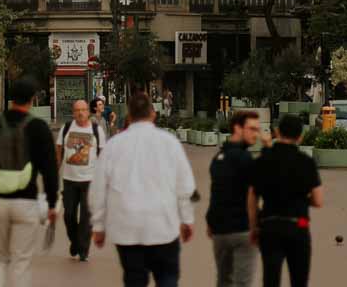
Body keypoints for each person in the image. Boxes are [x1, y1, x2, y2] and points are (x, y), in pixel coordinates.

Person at [90, 89, 195, 287]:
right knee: (167, 278)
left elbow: (98, 189)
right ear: (153, 114)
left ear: (129, 116)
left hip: (127, 230)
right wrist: (187, 219)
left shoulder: (114, 146)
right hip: (163, 227)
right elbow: (185, 185)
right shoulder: (169, 143)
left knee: (134, 279)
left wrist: (99, 225)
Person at [0, 75, 59, 286]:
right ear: (33, 99)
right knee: (22, 260)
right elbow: (49, 170)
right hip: (26, 201)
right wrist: (52, 204)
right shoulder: (38, 128)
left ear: (11, 98)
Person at [247, 113, 323, 287]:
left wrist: (254, 227)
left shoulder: (263, 160)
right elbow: (318, 200)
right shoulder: (306, 162)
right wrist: (303, 199)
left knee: (271, 279)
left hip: (270, 224)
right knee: (299, 280)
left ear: (277, 131)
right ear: (300, 137)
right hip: (300, 223)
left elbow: (252, 196)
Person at [206, 109, 262, 287]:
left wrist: (210, 222)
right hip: (243, 230)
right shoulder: (246, 159)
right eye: (252, 129)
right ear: (237, 128)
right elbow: (253, 194)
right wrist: (255, 226)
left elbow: (216, 192)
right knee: (242, 283)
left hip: (220, 232)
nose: (256, 134)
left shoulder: (217, 158)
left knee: (223, 281)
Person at [56, 97, 106, 261]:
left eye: (83, 110)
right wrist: (54, 172)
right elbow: (58, 151)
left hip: (90, 180)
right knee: (68, 215)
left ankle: (83, 250)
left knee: (86, 218)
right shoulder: (66, 128)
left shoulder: (97, 130)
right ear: (73, 113)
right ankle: (75, 242)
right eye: (77, 110)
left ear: (88, 111)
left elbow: (102, 156)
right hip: (69, 180)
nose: (80, 113)